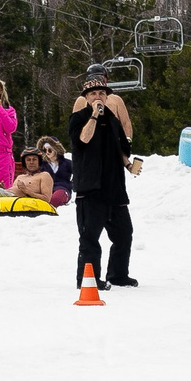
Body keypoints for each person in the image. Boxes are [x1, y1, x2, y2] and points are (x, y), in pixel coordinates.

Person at [70, 67, 140, 286]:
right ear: (86, 98)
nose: (98, 97)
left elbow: (120, 146)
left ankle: (118, 275)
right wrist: (93, 115)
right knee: (90, 236)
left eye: (101, 93)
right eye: (93, 94)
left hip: (114, 186)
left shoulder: (112, 119)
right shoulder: (79, 117)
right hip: (91, 186)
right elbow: (82, 140)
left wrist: (128, 164)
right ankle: (88, 279)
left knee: (124, 233)